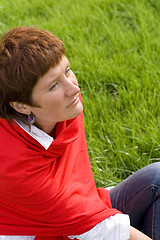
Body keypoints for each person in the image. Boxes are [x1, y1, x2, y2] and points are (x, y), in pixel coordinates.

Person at [0, 26, 159, 240]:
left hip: (83, 208)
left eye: (67, 71)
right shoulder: (19, 171)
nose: (74, 88)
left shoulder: (65, 108)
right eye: (54, 86)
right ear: (21, 106)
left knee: (156, 177)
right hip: (50, 232)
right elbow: (100, 229)